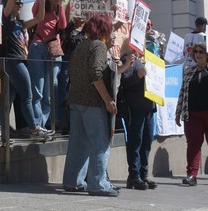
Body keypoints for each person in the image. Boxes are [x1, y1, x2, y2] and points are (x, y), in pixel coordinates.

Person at [61, 13, 119, 197]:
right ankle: (98, 184)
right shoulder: (98, 46)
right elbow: (95, 74)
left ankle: (73, 181)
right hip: (92, 102)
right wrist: (108, 99)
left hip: (75, 100)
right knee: (100, 143)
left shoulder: (82, 45)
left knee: (78, 143)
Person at [0, 0, 47, 143]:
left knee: (7, 99)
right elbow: (7, 9)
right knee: (27, 97)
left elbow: (39, 19)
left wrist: (42, 1)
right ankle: (34, 128)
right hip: (14, 61)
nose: (20, 4)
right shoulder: (6, 21)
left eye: (21, 2)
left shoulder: (19, 23)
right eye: (17, 2)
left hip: (18, 61)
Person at [175, 42, 208, 186]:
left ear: (207, 55)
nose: (198, 54)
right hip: (192, 114)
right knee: (193, 144)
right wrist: (178, 111)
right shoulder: (188, 71)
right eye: (196, 52)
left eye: (201, 52)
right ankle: (191, 175)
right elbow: (182, 92)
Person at [28, 0, 68, 130]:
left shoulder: (59, 10)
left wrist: (61, 4)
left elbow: (63, 25)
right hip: (38, 47)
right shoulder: (40, 5)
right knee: (37, 89)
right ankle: (37, 125)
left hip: (54, 50)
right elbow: (35, 13)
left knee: (50, 91)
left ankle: (42, 124)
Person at [118, 48, 158, 190]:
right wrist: (138, 76)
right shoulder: (126, 62)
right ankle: (134, 176)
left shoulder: (145, 62)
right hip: (135, 109)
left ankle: (143, 174)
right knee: (135, 141)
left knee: (147, 141)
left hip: (148, 108)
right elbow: (123, 84)